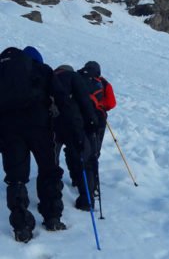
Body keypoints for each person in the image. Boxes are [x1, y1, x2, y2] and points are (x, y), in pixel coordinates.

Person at [0, 46, 69, 243]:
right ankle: (52, 217)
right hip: (40, 127)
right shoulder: (43, 70)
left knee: (16, 178)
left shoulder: (4, 74)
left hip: (9, 130)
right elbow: (62, 99)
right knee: (48, 170)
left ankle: (21, 227)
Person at [53, 64, 99, 211]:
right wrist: (92, 121)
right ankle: (86, 199)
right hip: (73, 124)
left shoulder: (50, 78)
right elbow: (84, 101)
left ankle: (54, 189)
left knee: (51, 159)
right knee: (83, 160)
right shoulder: (74, 77)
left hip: (52, 124)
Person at [78, 61, 116, 157]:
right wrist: (100, 105)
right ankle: (91, 164)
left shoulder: (78, 77)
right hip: (98, 117)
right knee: (93, 149)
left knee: (76, 146)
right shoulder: (103, 83)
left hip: (78, 114)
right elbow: (112, 103)